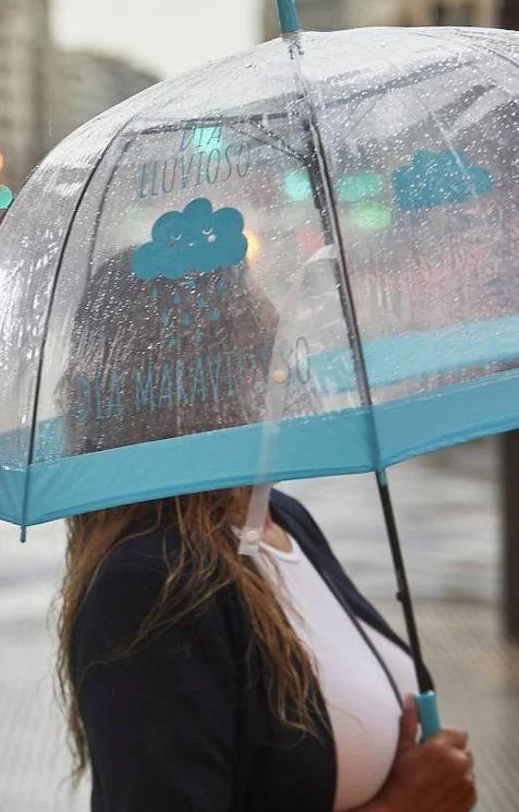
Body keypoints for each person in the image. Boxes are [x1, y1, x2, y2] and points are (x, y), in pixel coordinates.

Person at [55, 249, 476, 811]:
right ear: (195, 379)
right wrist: (403, 804)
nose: (282, 344)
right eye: (256, 332)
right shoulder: (149, 585)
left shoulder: (284, 518)